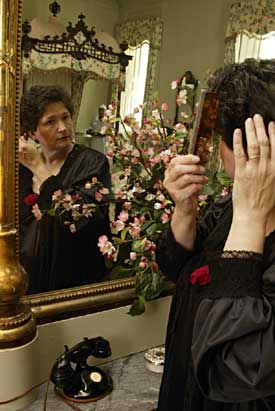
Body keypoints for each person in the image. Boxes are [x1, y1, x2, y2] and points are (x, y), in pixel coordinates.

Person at [156, 58, 275, 411]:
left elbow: (235, 370)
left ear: (248, 147)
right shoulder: (228, 207)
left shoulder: (246, 212)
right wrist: (184, 209)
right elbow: (175, 267)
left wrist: (252, 219)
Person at [19, 85, 111, 294]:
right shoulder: (22, 170)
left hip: (72, 286)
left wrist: (40, 169)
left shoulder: (92, 163)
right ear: (32, 132)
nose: (63, 127)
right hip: (28, 286)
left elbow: (80, 219)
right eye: (50, 122)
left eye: (66, 117)